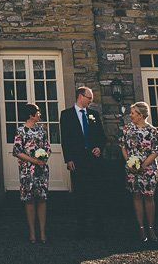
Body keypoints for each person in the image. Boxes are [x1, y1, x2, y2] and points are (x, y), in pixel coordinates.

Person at [59, 86, 108, 238]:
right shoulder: (66, 115)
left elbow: (101, 136)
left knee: (97, 195)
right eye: (89, 98)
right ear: (81, 96)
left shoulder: (94, 114)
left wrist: (99, 148)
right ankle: (82, 230)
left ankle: (99, 229)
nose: (91, 101)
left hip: (94, 161)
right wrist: (69, 159)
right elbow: (65, 139)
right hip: (78, 161)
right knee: (80, 195)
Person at [120, 101, 158, 243]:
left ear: (140, 115)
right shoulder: (127, 129)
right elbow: (123, 147)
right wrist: (129, 162)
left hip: (148, 168)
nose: (130, 115)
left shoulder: (152, 131)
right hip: (132, 169)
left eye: (132, 113)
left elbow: (156, 150)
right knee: (136, 196)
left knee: (149, 197)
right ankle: (141, 228)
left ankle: (151, 228)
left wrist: (143, 165)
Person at [12, 102, 51, 244]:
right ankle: (32, 233)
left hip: (41, 170)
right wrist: (33, 161)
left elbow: (47, 147)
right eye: (38, 112)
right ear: (30, 115)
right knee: (29, 200)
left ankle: (42, 232)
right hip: (27, 171)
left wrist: (44, 158)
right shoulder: (21, 131)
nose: (39, 115)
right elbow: (16, 151)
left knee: (42, 199)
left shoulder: (42, 130)